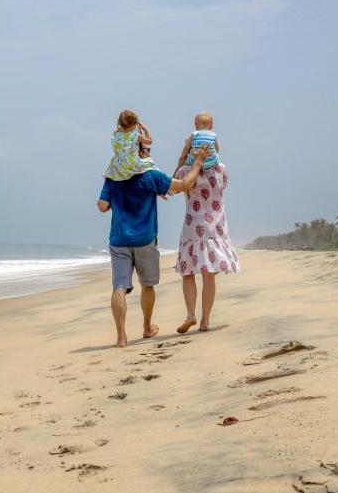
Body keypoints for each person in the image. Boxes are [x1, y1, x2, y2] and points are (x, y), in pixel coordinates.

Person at [97, 141, 211, 347]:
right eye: (147, 150)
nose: (149, 153)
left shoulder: (113, 177)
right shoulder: (151, 175)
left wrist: (118, 197)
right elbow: (185, 185)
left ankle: (121, 336)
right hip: (145, 239)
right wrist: (198, 163)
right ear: (138, 151)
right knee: (147, 285)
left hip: (119, 239)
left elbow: (102, 206)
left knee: (119, 286)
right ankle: (147, 327)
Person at [173, 157, 240, 333]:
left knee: (187, 273)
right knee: (209, 275)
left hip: (192, 226)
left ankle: (190, 314)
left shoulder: (185, 171)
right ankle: (205, 321)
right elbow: (223, 186)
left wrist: (181, 159)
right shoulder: (221, 169)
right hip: (215, 227)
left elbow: (171, 188)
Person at [103, 109, 155, 181]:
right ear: (134, 124)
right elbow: (149, 141)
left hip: (117, 166)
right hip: (131, 165)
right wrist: (145, 129)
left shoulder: (115, 134)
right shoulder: (135, 136)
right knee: (151, 164)